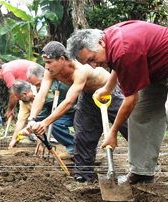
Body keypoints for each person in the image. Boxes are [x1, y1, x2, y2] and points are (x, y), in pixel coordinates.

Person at [66, 20, 168, 184]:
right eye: (88, 63)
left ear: (100, 43)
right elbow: (118, 65)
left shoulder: (123, 49)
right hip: (154, 70)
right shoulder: (108, 39)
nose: (93, 66)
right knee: (142, 113)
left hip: (163, 62)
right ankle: (142, 172)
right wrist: (108, 87)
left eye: (93, 58)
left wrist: (113, 133)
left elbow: (130, 99)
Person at [21, 41, 127, 183]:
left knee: (129, 128)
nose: (46, 67)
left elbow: (69, 101)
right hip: (87, 96)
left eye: (49, 62)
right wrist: (32, 119)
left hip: (109, 91)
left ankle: (144, 169)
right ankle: (83, 177)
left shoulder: (80, 69)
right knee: (83, 134)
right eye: (45, 62)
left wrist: (45, 123)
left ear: (62, 59)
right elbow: (41, 95)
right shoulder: (50, 72)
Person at [9, 65, 75, 159]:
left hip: (79, 108)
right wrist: (15, 139)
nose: (37, 88)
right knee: (54, 122)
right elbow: (38, 118)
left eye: (38, 84)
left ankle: (85, 153)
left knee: (84, 132)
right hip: (64, 113)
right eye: (35, 85)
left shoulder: (63, 81)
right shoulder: (41, 95)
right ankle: (73, 146)